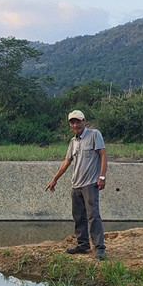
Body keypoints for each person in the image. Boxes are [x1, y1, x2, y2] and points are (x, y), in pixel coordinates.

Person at [45, 110, 108, 260]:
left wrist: (102, 176)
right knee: (79, 216)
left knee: (93, 215)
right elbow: (67, 161)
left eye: (78, 121)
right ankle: (83, 244)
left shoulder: (94, 135)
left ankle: (99, 248)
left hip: (90, 183)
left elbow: (103, 155)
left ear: (84, 121)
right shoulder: (73, 142)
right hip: (76, 184)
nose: (75, 125)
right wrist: (55, 179)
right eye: (72, 122)